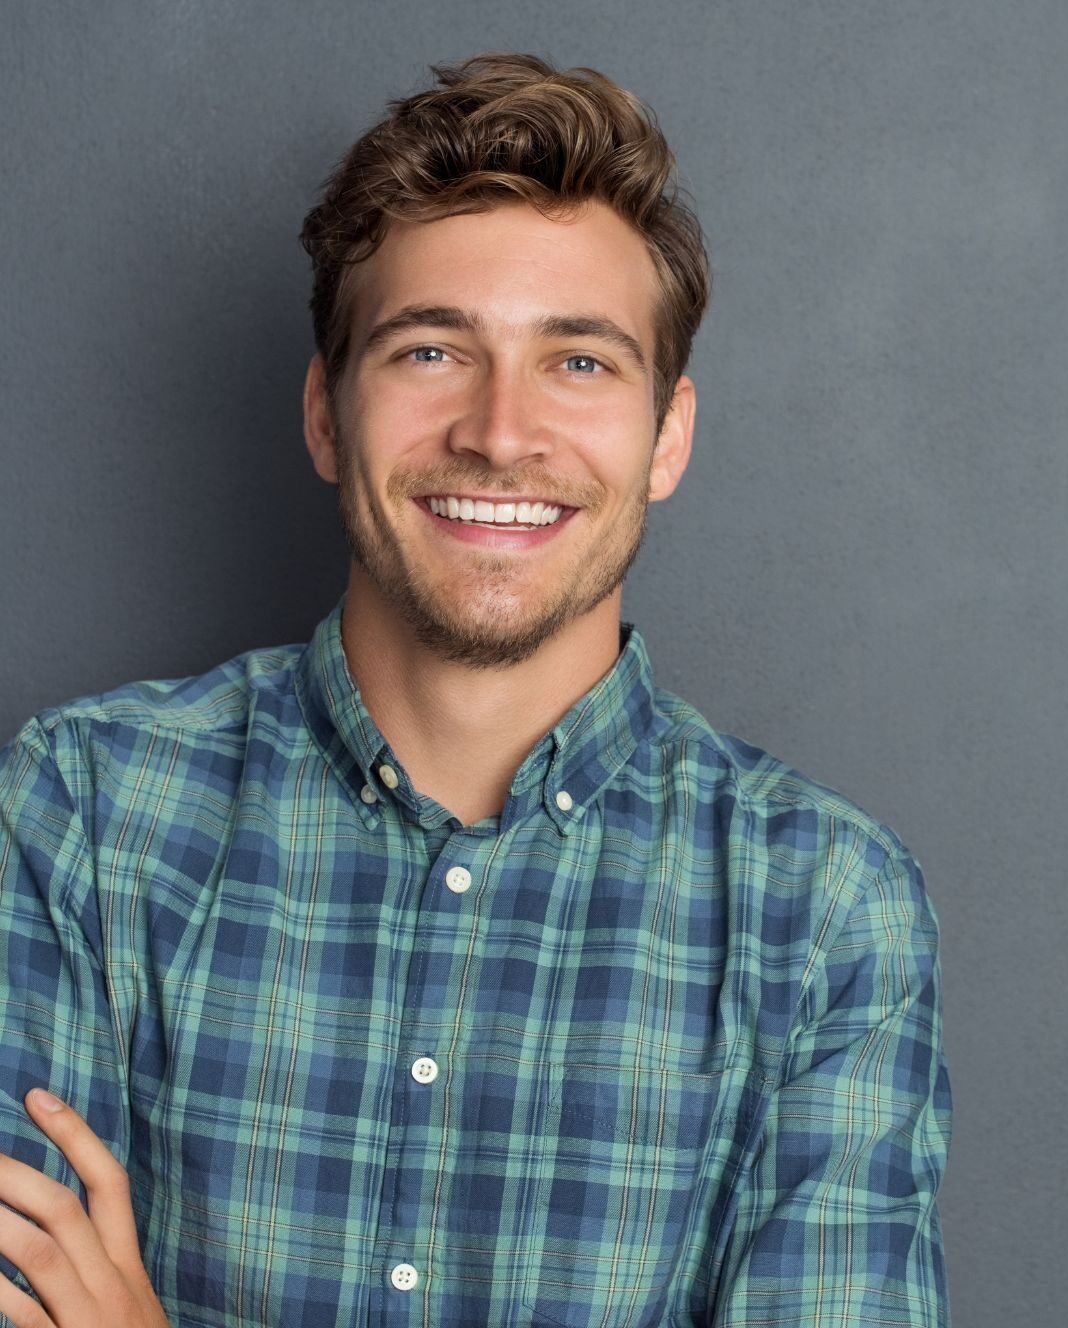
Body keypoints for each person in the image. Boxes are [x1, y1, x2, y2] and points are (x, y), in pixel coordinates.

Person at [0, 52, 951, 1328]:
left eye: (578, 363)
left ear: (665, 435)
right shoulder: (86, 811)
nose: (500, 432)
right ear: (327, 415)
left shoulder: (823, 912)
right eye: (432, 348)